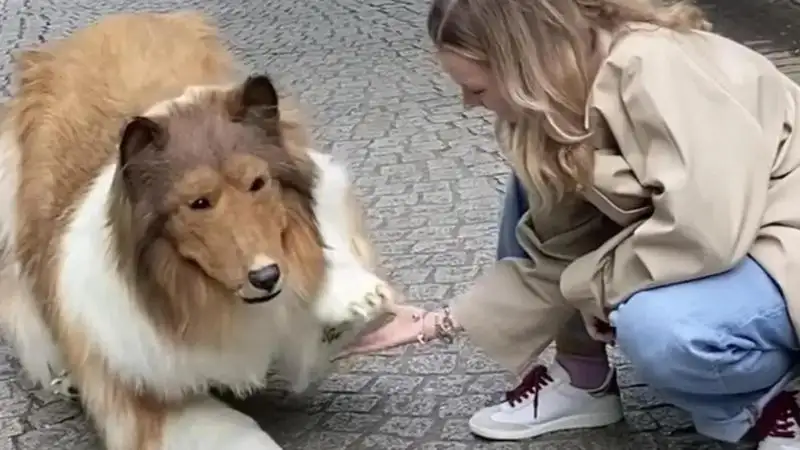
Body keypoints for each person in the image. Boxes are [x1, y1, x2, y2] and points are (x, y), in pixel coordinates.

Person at [344, 0, 800, 448]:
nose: (467, 103)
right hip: (734, 241)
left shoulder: (657, 67)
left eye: (478, 89)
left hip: (781, 239)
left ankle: (772, 395)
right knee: (534, 189)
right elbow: (555, 248)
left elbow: (705, 232)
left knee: (662, 328)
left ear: (525, 64)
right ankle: (584, 378)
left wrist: (594, 287)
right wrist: (436, 323)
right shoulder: (557, 105)